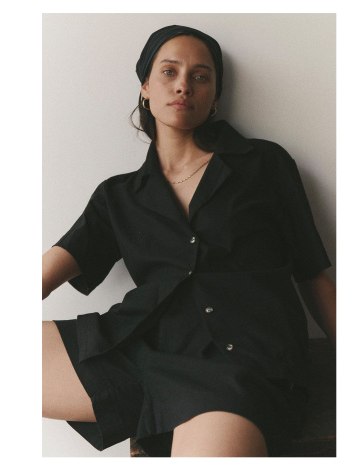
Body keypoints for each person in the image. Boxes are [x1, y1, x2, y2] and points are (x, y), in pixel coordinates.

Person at [42, 24, 336, 458]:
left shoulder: (264, 164)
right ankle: (155, 405)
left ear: (215, 97)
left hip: (238, 365)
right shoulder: (118, 195)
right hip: (142, 352)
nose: (184, 85)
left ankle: (170, 412)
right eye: (169, 72)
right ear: (145, 87)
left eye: (201, 76)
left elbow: (313, 275)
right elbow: (45, 272)